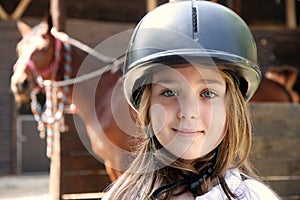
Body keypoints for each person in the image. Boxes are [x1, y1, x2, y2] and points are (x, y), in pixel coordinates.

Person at [103, 0, 280, 199]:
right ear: (148, 107)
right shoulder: (124, 196)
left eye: (208, 94)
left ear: (232, 108)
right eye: (169, 92)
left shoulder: (254, 197)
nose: (188, 112)